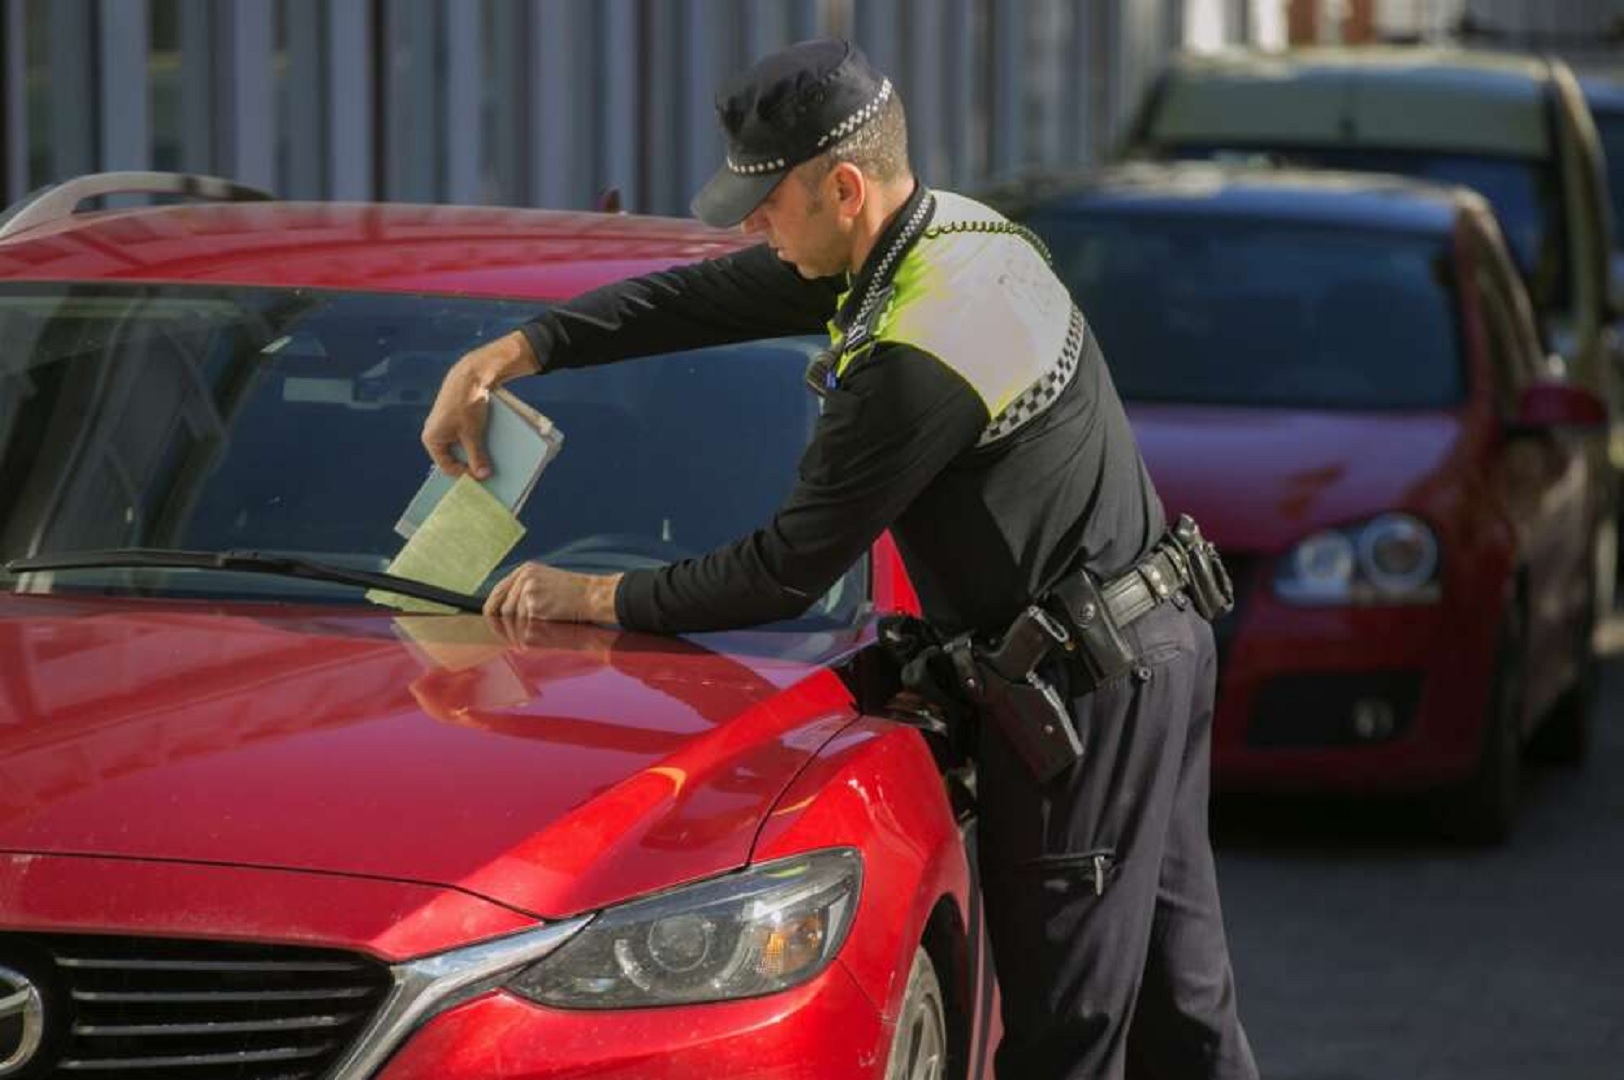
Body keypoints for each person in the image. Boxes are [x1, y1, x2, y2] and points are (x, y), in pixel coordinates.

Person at [422, 37, 1258, 1080]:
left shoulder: (917, 349)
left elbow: (783, 570)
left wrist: (587, 593)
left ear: (844, 186)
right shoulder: (950, 237)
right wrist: (520, 349)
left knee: (1062, 1039)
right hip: (1150, 648)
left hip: (1083, 695)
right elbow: (706, 300)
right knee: (1186, 1015)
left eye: (765, 202)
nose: (751, 224)